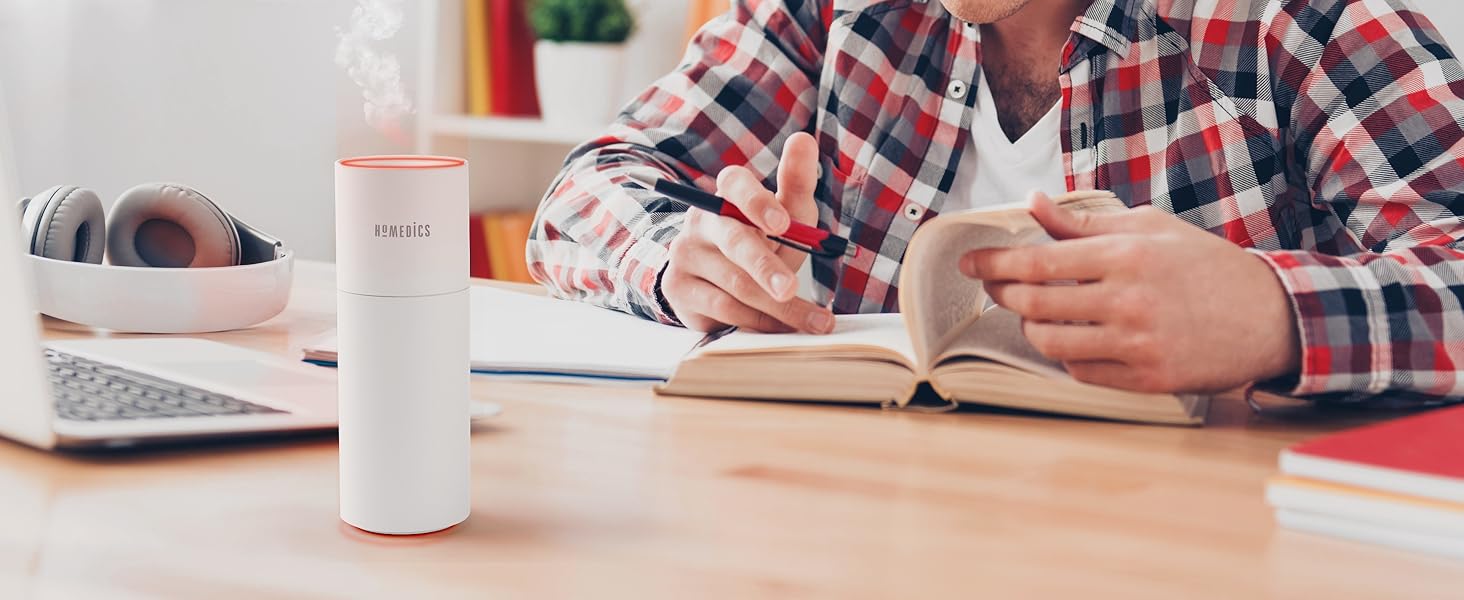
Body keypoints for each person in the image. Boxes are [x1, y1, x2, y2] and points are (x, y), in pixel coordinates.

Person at [527, 0, 1464, 403]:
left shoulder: (1296, 23)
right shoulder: (829, 14)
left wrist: (1271, 314)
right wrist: (674, 259)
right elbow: (585, 190)